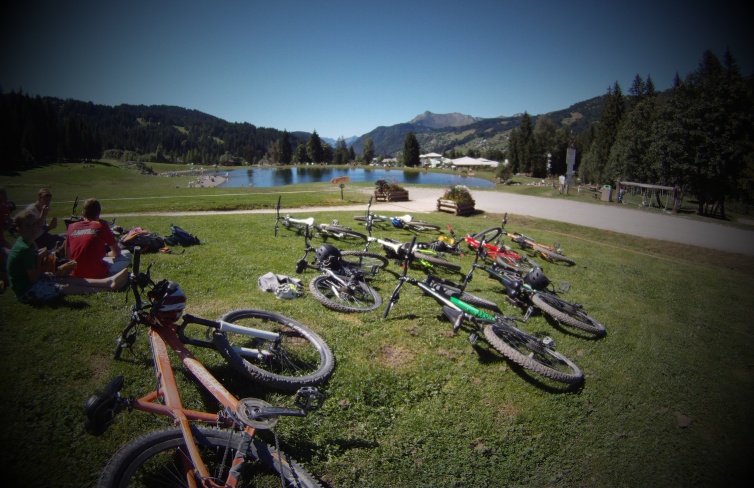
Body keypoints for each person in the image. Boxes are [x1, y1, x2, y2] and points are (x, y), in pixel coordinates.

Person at [6, 209, 127, 304]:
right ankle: (107, 288)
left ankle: (108, 281)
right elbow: (34, 278)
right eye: (28, 226)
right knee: (64, 287)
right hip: (27, 290)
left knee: (67, 278)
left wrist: (56, 271)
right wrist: (39, 258)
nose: (32, 229)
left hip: (28, 284)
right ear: (19, 230)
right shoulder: (25, 249)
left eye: (34, 224)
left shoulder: (25, 243)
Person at [65, 198, 131, 279]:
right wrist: (106, 255)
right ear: (98, 214)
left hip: (76, 273)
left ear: (83, 214)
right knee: (127, 254)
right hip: (98, 273)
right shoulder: (101, 226)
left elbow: (68, 255)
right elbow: (117, 252)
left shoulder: (71, 227)